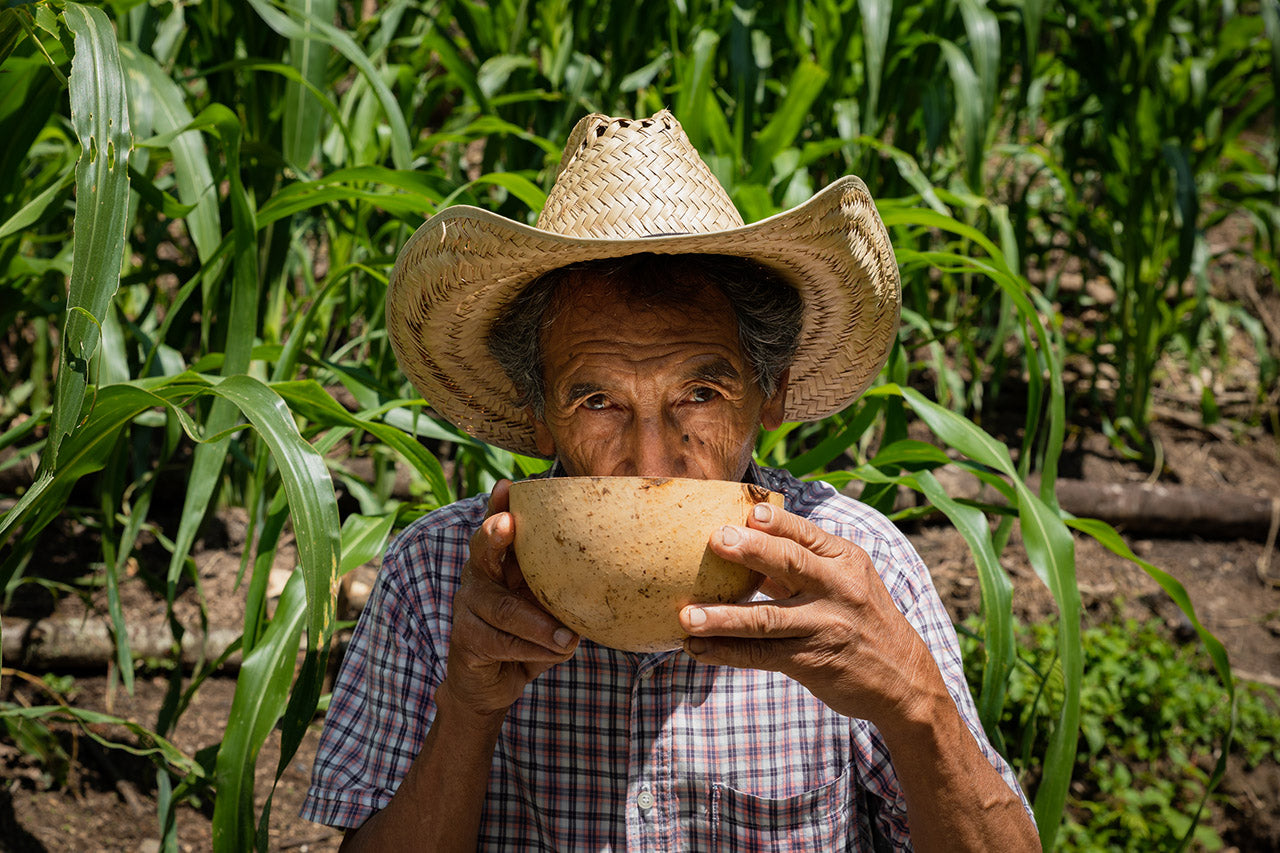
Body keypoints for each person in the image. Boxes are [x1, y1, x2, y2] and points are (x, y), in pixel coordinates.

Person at [302, 110, 1039, 851]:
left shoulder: (851, 567)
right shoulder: (441, 578)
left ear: (770, 392)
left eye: (700, 394)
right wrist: (468, 705)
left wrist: (913, 697)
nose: (652, 460)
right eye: (598, 401)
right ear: (538, 416)